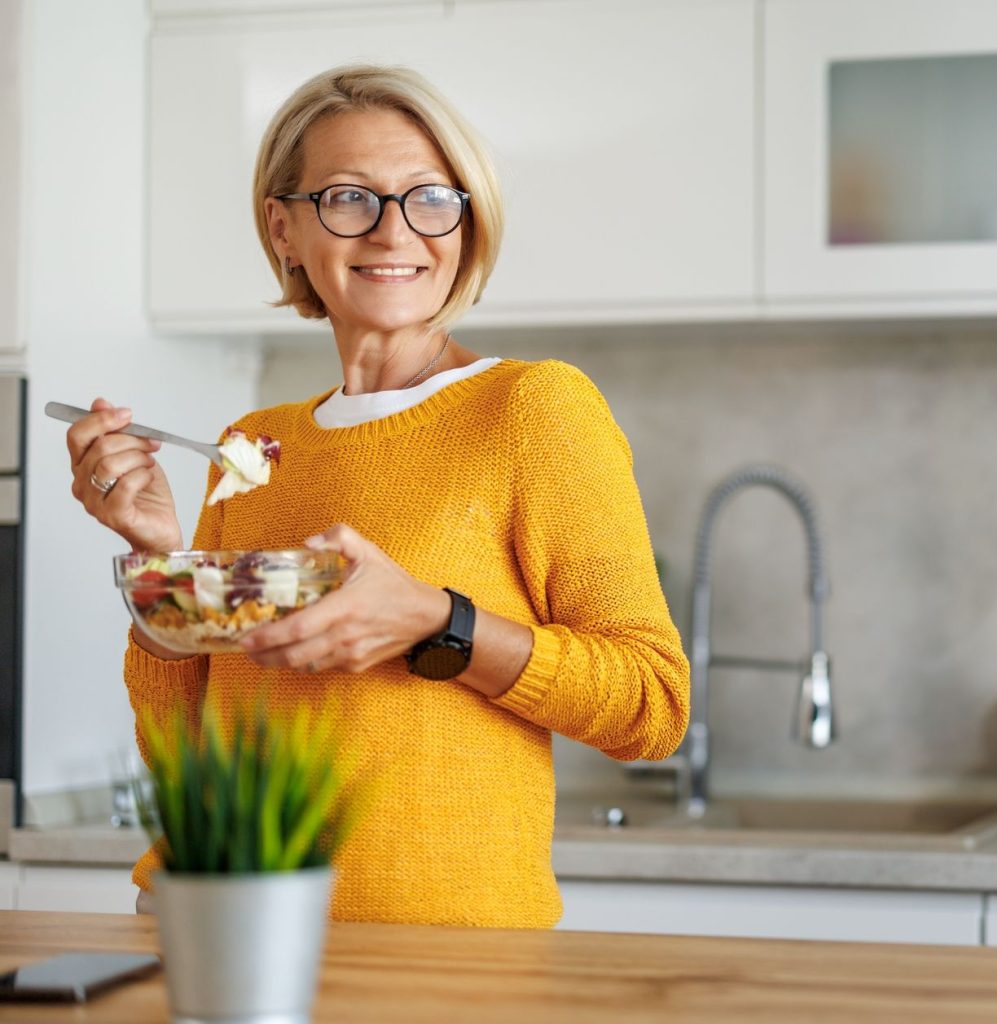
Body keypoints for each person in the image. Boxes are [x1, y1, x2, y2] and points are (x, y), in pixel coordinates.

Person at [64, 64, 689, 928]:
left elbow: (651, 706)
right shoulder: (252, 447)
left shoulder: (531, 410)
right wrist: (157, 561)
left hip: (440, 960)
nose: (396, 232)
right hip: (214, 925)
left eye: (431, 198)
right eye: (350, 198)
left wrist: (441, 623)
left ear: (467, 224)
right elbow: (186, 750)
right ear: (285, 229)